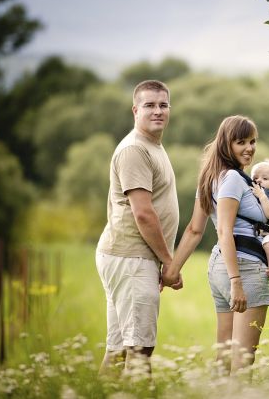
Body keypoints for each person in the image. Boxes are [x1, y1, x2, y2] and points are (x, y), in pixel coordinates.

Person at [162, 115, 269, 372]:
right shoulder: (233, 178)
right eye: (241, 142)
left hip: (220, 266)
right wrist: (236, 281)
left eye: (253, 141)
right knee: (242, 363)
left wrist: (172, 271)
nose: (250, 148)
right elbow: (224, 230)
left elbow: (194, 229)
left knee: (224, 359)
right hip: (242, 269)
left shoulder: (210, 177)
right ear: (226, 144)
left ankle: (218, 390)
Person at [95, 80, 180, 376]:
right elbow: (143, 213)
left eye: (163, 105)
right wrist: (169, 262)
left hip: (134, 257)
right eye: (150, 105)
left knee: (119, 351)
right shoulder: (134, 150)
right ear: (135, 110)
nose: (158, 111)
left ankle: (96, 394)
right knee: (139, 350)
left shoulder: (151, 145)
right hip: (131, 257)